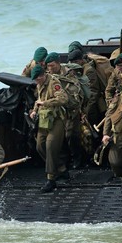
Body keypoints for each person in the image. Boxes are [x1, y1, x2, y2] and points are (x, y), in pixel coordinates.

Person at [29, 64, 69, 193]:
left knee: (50, 146)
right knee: (40, 146)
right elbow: (38, 99)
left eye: (37, 78)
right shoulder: (39, 84)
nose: (36, 81)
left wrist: (46, 103)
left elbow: (63, 99)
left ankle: (51, 179)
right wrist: (34, 111)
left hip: (56, 119)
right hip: (44, 119)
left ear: (42, 76)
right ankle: (61, 169)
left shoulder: (54, 83)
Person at [68, 48, 105, 126]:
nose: (74, 64)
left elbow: (94, 92)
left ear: (81, 60)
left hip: (93, 106)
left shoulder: (89, 70)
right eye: (72, 62)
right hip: (84, 104)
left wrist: (87, 110)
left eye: (76, 62)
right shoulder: (78, 69)